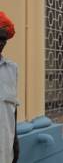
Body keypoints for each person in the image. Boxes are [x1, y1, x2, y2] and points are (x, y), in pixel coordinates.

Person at [0, 11, 20, 163]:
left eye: (4, 39)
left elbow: (12, 108)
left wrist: (15, 141)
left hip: (5, 151)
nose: (1, 43)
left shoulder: (12, 69)